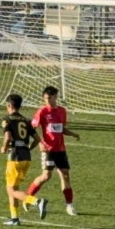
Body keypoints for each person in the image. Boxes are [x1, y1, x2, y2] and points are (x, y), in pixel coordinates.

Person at [28, 85, 80, 216]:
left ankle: (69, 205)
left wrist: (73, 134)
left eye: (51, 97)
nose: (48, 100)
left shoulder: (62, 111)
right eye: (46, 98)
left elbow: (61, 128)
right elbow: (31, 128)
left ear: (55, 97)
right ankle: (28, 198)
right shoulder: (42, 112)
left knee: (65, 175)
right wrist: (40, 142)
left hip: (61, 149)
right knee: (46, 176)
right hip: (48, 150)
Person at [0, 93, 45, 226]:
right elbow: (38, 140)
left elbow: (8, 137)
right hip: (26, 157)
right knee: (13, 188)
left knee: (11, 191)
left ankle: (36, 202)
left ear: (9, 106)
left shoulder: (7, 119)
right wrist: (27, 148)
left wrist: (4, 147)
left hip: (15, 157)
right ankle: (15, 218)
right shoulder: (26, 120)